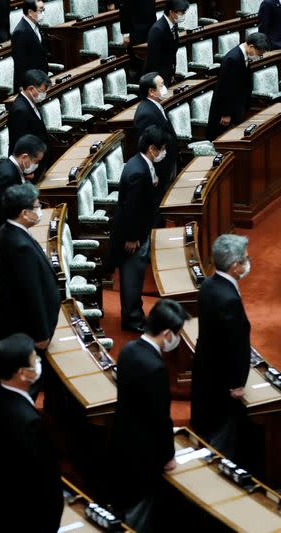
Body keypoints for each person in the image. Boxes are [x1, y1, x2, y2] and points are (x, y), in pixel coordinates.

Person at [112, 299, 190, 532]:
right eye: (176, 333)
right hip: (142, 453)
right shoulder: (154, 367)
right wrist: (168, 455)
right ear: (167, 333)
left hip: (122, 439)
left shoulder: (128, 349)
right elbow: (159, 418)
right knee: (139, 513)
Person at [0, 333, 62, 533]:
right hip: (28, 517)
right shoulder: (29, 422)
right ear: (23, 373)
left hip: (1, 502)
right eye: (35, 359)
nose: (39, 362)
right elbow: (41, 479)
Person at [191, 234, 252, 460]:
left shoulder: (209, 284)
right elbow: (234, 342)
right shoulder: (229, 299)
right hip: (222, 384)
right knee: (220, 443)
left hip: (206, 371)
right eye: (245, 259)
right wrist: (237, 384)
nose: (248, 262)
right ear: (235, 266)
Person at [107, 126, 169, 332]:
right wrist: (132, 238)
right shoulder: (137, 171)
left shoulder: (141, 163)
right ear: (152, 148)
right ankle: (132, 320)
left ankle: (136, 314)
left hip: (139, 231)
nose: (163, 153)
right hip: (132, 236)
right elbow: (130, 208)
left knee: (136, 276)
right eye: (162, 149)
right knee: (132, 278)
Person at [0, 183, 59, 349]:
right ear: (24, 213)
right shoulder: (21, 247)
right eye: (36, 206)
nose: (39, 210)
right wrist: (41, 333)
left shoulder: (8, 230)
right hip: (26, 331)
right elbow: (31, 292)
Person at [0, 135, 46, 292]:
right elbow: (0, 212)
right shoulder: (7, 174)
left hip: (1, 240)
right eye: (36, 161)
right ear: (24, 157)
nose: (36, 165)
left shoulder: (13, 170)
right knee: (1, 296)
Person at [206, 32, 271, 140]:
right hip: (224, 112)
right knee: (221, 139)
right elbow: (225, 88)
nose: (260, 57)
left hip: (237, 107)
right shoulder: (233, 59)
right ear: (251, 46)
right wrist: (226, 113)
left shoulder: (243, 56)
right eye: (259, 53)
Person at [134, 72, 177, 197]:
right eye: (161, 85)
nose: (165, 88)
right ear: (151, 91)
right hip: (160, 169)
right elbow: (148, 148)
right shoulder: (146, 114)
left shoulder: (155, 106)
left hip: (167, 164)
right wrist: (153, 173)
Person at [6, 69, 50, 170]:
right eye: (42, 92)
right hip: (29, 167)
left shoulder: (29, 103)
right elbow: (21, 143)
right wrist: (28, 171)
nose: (44, 95)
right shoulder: (20, 110)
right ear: (30, 89)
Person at [143, 0, 188, 87]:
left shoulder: (174, 24)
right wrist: (158, 81)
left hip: (167, 74)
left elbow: (172, 51)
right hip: (157, 79)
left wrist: (171, 73)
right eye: (181, 12)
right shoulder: (157, 29)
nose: (183, 15)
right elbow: (153, 59)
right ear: (171, 12)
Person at [11, 0, 48, 90]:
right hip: (29, 84)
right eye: (40, 10)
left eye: (44, 10)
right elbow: (19, 62)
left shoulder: (36, 25)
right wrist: (22, 85)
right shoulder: (20, 31)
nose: (43, 13)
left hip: (40, 78)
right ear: (30, 12)